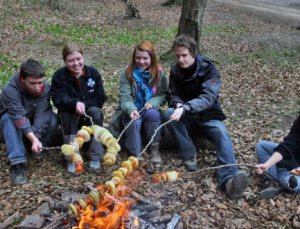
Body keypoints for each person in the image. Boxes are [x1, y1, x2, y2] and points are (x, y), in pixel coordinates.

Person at [164, 34, 249, 200]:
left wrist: (186, 107)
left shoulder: (209, 69)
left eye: (184, 55)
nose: (181, 60)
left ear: (193, 53)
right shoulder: (175, 71)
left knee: (221, 132)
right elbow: (172, 94)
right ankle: (189, 153)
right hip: (186, 116)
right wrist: (178, 104)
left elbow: (208, 97)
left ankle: (228, 180)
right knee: (168, 113)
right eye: (178, 56)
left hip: (208, 115)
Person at [109, 40, 168, 169]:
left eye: (145, 58)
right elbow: (124, 97)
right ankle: (136, 152)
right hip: (131, 109)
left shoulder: (159, 74)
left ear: (151, 58)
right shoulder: (127, 73)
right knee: (134, 120)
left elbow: (163, 95)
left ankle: (154, 149)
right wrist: (131, 109)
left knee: (153, 114)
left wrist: (153, 102)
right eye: (138, 58)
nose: (141, 61)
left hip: (149, 109)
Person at [0, 59, 59, 185]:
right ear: (22, 79)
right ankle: (18, 162)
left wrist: (35, 138)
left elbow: (42, 113)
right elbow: (18, 116)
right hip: (9, 125)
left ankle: (33, 146)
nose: (38, 87)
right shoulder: (9, 90)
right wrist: (33, 138)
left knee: (53, 119)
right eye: (32, 83)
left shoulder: (45, 87)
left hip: (31, 122)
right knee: (8, 118)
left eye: (40, 82)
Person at [51, 43, 106, 173]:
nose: (75, 63)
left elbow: (100, 98)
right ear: (65, 61)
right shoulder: (59, 76)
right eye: (70, 60)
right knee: (67, 114)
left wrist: (85, 105)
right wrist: (74, 103)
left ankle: (95, 154)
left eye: (78, 59)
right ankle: (72, 156)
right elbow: (58, 98)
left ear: (83, 58)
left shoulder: (93, 73)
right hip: (70, 117)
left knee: (95, 112)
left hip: (88, 115)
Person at [255, 112, 300, 199]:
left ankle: (280, 180)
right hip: (291, 157)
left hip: (296, 172)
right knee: (261, 146)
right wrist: (267, 164)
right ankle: (272, 179)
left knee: (293, 183)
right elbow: (288, 144)